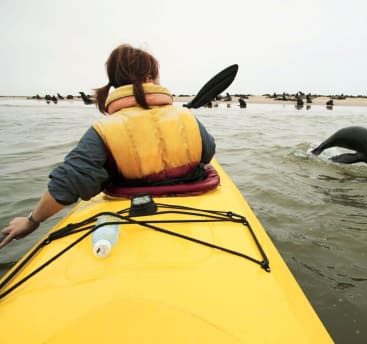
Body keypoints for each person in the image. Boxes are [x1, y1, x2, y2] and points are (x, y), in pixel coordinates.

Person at [0, 44, 216, 249]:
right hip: (193, 206)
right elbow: (208, 153)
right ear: (150, 78)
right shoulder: (187, 117)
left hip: (131, 208)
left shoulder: (103, 130)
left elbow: (68, 183)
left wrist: (32, 220)